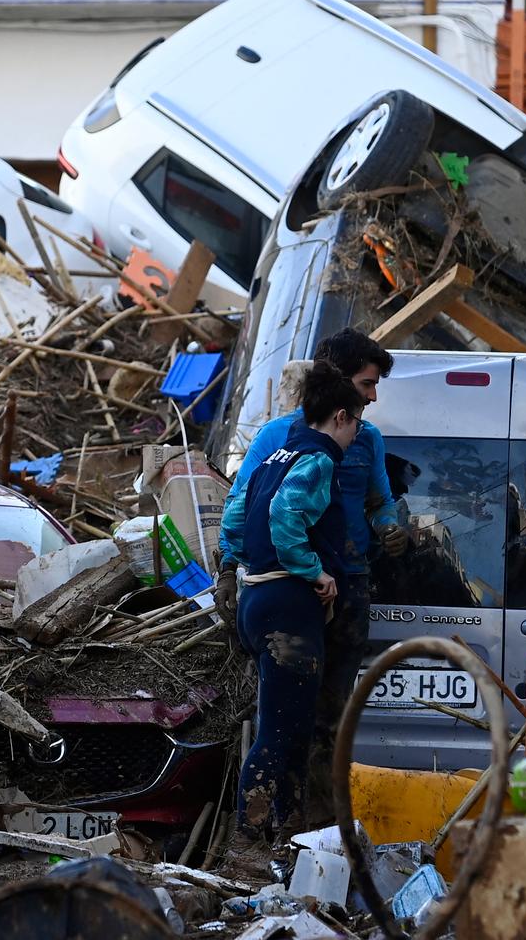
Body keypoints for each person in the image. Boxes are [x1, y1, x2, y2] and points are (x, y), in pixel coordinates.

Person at [213, 330, 409, 823]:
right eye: (366, 384)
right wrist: (231, 570)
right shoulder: (282, 439)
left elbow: (381, 501)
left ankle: (316, 829)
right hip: (296, 591)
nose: (373, 397)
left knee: (329, 717)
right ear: (337, 388)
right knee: (282, 716)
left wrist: (391, 528)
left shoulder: (368, 439)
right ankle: (266, 831)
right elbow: (247, 508)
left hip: (346, 588)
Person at [216, 361, 366, 866]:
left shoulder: (274, 454)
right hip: (288, 610)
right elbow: (285, 515)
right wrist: (314, 571)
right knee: (281, 732)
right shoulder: (318, 460)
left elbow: (236, 514)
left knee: (289, 726)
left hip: (256, 600)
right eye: (358, 422)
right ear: (341, 416)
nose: (358, 433)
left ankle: (288, 835)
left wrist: (233, 565)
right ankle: (247, 841)